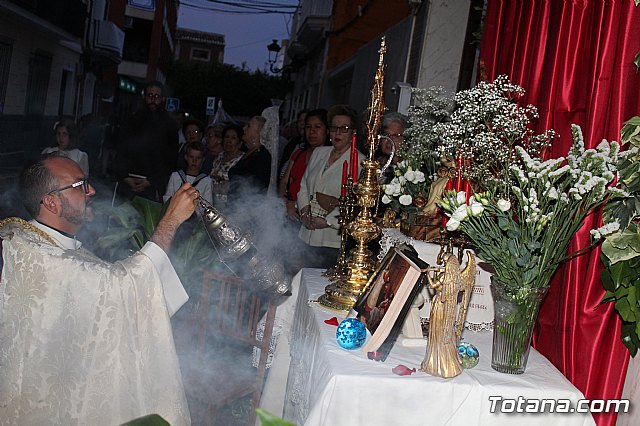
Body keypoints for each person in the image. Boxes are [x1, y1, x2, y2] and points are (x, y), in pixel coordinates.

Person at [0, 155, 199, 424]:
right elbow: (122, 288)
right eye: (80, 184)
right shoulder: (42, 257)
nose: (91, 190)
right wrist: (171, 220)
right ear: (51, 201)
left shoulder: (39, 243)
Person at [297, 104, 364, 269]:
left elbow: (353, 200)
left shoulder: (360, 162)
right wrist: (304, 211)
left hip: (332, 238)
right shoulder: (319, 152)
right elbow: (304, 185)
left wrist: (327, 221)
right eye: (334, 128)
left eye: (344, 128)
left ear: (353, 133)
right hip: (306, 232)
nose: (338, 133)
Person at [114, 80, 179, 202]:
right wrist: (125, 176)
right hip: (128, 184)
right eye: (150, 96)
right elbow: (121, 150)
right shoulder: (132, 120)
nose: (153, 100)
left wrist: (151, 181)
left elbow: (170, 158)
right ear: (144, 97)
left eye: (156, 96)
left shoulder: (169, 125)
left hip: (153, 185)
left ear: (163, 99)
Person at [278, 109, 329, 221]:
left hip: (313, 216)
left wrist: (296, 205)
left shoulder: (330, 158)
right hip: (289, 212)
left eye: (317, 127)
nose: (312, 131)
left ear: (327, 130)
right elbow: (284, 181)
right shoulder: (298, 153)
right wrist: (284, 202)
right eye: (308, 127)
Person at [228, 115, 271, 197]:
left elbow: (258, 186)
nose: (244, 128)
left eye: (249, 126)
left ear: (259, 132)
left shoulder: (262, 156)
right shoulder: (250, 152)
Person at [165, 141, 213, 205]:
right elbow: (167, 199)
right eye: (191, 157)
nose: (194, 161)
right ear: (186, 157)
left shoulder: (207, 181)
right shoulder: (175, 176)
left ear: (203, 159)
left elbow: (207, 204)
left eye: (198, 158)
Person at [210, 123, 244, 207]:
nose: (229, 141)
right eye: (226, 137)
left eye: (233, 138)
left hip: (229, 206)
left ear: (240, 142)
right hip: (211, 202)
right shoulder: (219, 156)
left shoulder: (242, 160)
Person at [377, 112, 408, 184]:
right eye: (386, 135)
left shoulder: (411, 171)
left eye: (396, 136)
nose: (389, 140)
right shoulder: (374, 165)